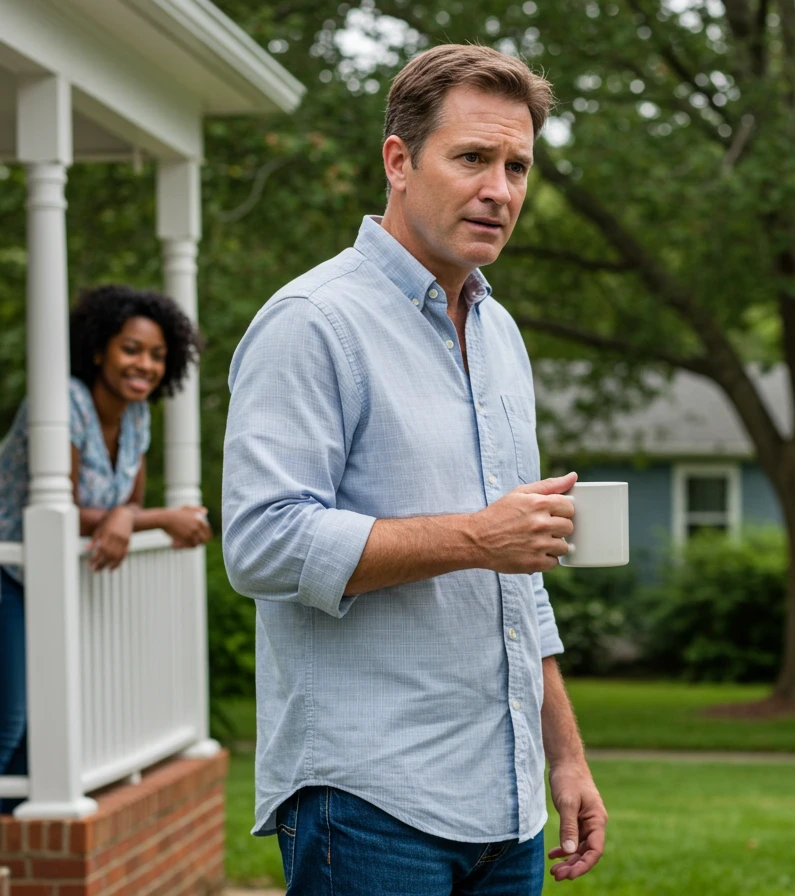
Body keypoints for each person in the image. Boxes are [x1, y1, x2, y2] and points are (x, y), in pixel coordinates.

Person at [222, 44, 606, 895]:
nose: (500, 189)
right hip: (368, 800)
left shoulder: (500, 335)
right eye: (472, 157)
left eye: (517, 166)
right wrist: (477, 536)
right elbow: (261, 545)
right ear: (398, 160)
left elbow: (520, 573)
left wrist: (566, 756)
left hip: (505, 812)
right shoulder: (311, 324)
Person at [0, 284, 211, 813]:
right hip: (10, 567)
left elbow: (129, 506)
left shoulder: (137, 416)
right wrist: (154, 517)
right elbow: (60, 509)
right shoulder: (61, 404)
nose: (145, 364)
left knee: (43, 730)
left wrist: (126, 515)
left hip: (53, 581)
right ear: (99, 350)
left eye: (158, 355)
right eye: (131, 348)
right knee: (11, 720)